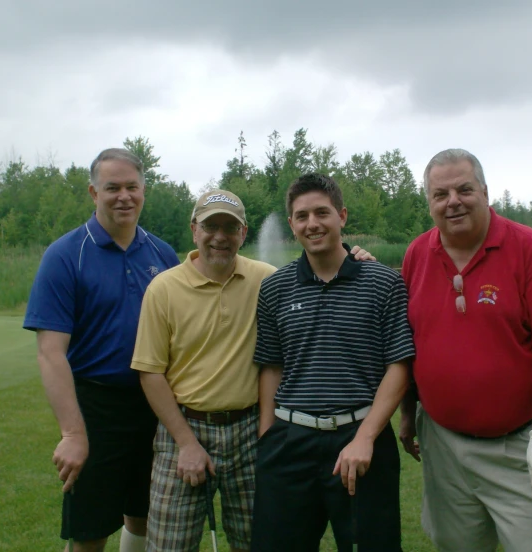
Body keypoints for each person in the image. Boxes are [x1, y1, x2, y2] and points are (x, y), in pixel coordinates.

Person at [131, 189, 376, 552]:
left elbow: (321, 271)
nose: (219, 236)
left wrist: (358, 258)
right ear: (194, 229)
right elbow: (150, 373)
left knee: (259, 542)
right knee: (169, 544)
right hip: (183, 430)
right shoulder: (163, 288)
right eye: (210, 226)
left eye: (230, 228)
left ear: (243, 234)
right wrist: (185, 443)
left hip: (250, 429)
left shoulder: (268, 280)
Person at [398, 148, 532, 552]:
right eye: (440, 194)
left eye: (464, 189)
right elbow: (412, 343)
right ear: (429, 202)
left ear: (484, 191)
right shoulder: (417, 254)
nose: (453, 202)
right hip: (443, 446)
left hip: (518, 448)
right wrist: (408, 415)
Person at [23, 148, 180, 552]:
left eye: (132, 187)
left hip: (155, 402)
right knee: (90, 528)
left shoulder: (162, 254)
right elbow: (50, 353)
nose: (123, 196)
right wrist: (73, 433)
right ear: (94, 193)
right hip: (95, 407)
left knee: (145, 514)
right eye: (112, 188)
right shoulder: (65, 255)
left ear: (144, 191)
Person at [251, 173, 415, 552]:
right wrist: (266, 437)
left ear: (341, 215)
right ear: (291, 224)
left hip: (360, 438)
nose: (313, 224)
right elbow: (271, 366)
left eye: (322, 213)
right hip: (289, 441)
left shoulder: (384, 283)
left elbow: (399, 366)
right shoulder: (275, 288)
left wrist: (366, 437)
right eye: (302, 216)